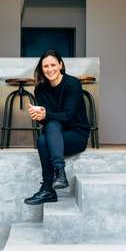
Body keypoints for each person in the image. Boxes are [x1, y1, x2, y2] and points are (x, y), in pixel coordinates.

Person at [24, 50, 90, 205]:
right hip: (55, 135)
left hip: (76, 135)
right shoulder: (40, 89)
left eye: (53, 64)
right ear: (42, 69)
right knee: (43, 138)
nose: (49, 69)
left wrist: (46, 115)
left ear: (60, 65)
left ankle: (48, 187)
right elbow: (48, 121)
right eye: (45, 66)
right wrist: (39, 116)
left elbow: (67, 115)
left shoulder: (72, 84)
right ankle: (58, 176)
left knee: (44, 138)